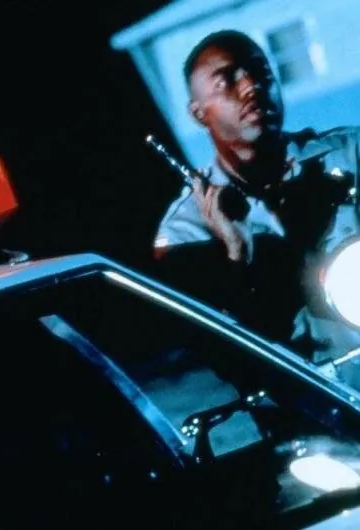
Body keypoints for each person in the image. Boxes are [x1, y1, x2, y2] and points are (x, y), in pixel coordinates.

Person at [152, 29, 360, 373]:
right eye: (226, 81)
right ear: (199, 113)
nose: (252, 86)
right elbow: (228, 359)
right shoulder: (184, 234)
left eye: (261, 72)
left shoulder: (351, 153)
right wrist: (238, 253)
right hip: (313, 402)